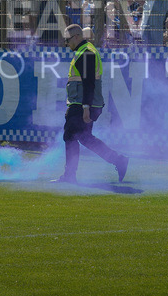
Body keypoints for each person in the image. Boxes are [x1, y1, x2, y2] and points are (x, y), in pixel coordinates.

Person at [53, 24, 129, 184]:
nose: (66, 44)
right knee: (85, 138)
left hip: (82, 103)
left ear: (76, 37)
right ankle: (118, 160)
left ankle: (70, 176)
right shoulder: (86, 50)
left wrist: (85, 107)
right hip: (85, 102)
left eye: (67, 40)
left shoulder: (85, 53)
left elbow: (88, 83)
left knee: (70, 135)